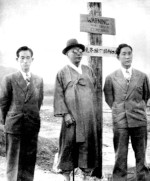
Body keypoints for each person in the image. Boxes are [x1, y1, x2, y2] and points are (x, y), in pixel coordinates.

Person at [53, 39, 99, 181]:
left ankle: (85, 177)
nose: (78, 54)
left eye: (80, 51)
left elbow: (94, 89)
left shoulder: (88, 70)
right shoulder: (62, 72)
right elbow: (58, 95)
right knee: (68, 146)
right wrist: (65, 114)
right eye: (74, 51)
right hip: (71, 118)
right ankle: (67, 177)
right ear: (67, 53)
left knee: (87, 147)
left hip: (88, 117)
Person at [104, 43, 150, 181]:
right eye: (124, 54)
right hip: (121, 120)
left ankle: (142, 178)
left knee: (141, 154)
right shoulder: (111, 78)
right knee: (120, 154)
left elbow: (146, 96)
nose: (127, 56)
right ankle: (119, 178)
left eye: (129, 53)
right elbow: (109, 99)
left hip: (139, 120)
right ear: (118, 57)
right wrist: (121, 111)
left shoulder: (142, 76)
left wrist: (135, 108)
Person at [0, 46, 44, 181]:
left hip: (31, 125)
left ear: (32, 60)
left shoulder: (38, 80)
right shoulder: (9, 79)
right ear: (17, 60)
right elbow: (3, 104)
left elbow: (39, 102)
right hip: (14, 127)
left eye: (28, 58)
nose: (25, 61)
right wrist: (6, 122)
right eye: (22, 58)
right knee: (14, 162)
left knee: (29, 161)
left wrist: (32, 117)